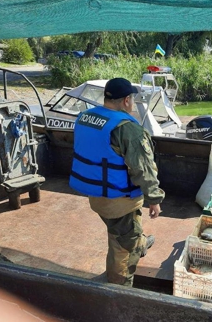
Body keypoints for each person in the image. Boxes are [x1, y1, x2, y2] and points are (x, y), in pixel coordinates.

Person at [69, 77, 164, 287]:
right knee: (122, 248)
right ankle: (118, 287)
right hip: (119, 201)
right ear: (128, 100)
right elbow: (144, 170)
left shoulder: (85, 117)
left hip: (96, 194)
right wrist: (154, 200)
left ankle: (139, 241)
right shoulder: (128, 129)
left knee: (122, 230)